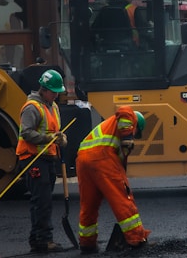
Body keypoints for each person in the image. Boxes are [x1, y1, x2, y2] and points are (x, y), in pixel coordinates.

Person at [76, 105, 151, 254]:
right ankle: (136, 239)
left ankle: (87, 243)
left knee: (89, 204)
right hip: (101, 157)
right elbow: (124, 109)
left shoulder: (109, 130)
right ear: (136, 125)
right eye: (136, 132)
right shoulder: (130, 118)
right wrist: (128, 136)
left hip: (83, 160)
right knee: (122, 198)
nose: (134, 134)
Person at [16, 69, 67, 253]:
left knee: (43, 200)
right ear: (43, 89)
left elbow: (53, 130)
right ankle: (44, 240)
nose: (56, 95)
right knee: (42, 200)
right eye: (53, 91)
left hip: (47, 158)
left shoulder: (52, 106)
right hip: (32, 158)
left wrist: (61, 138)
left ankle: (37, 239)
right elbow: (26, 133)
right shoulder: (32, 108)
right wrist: (49, 139)